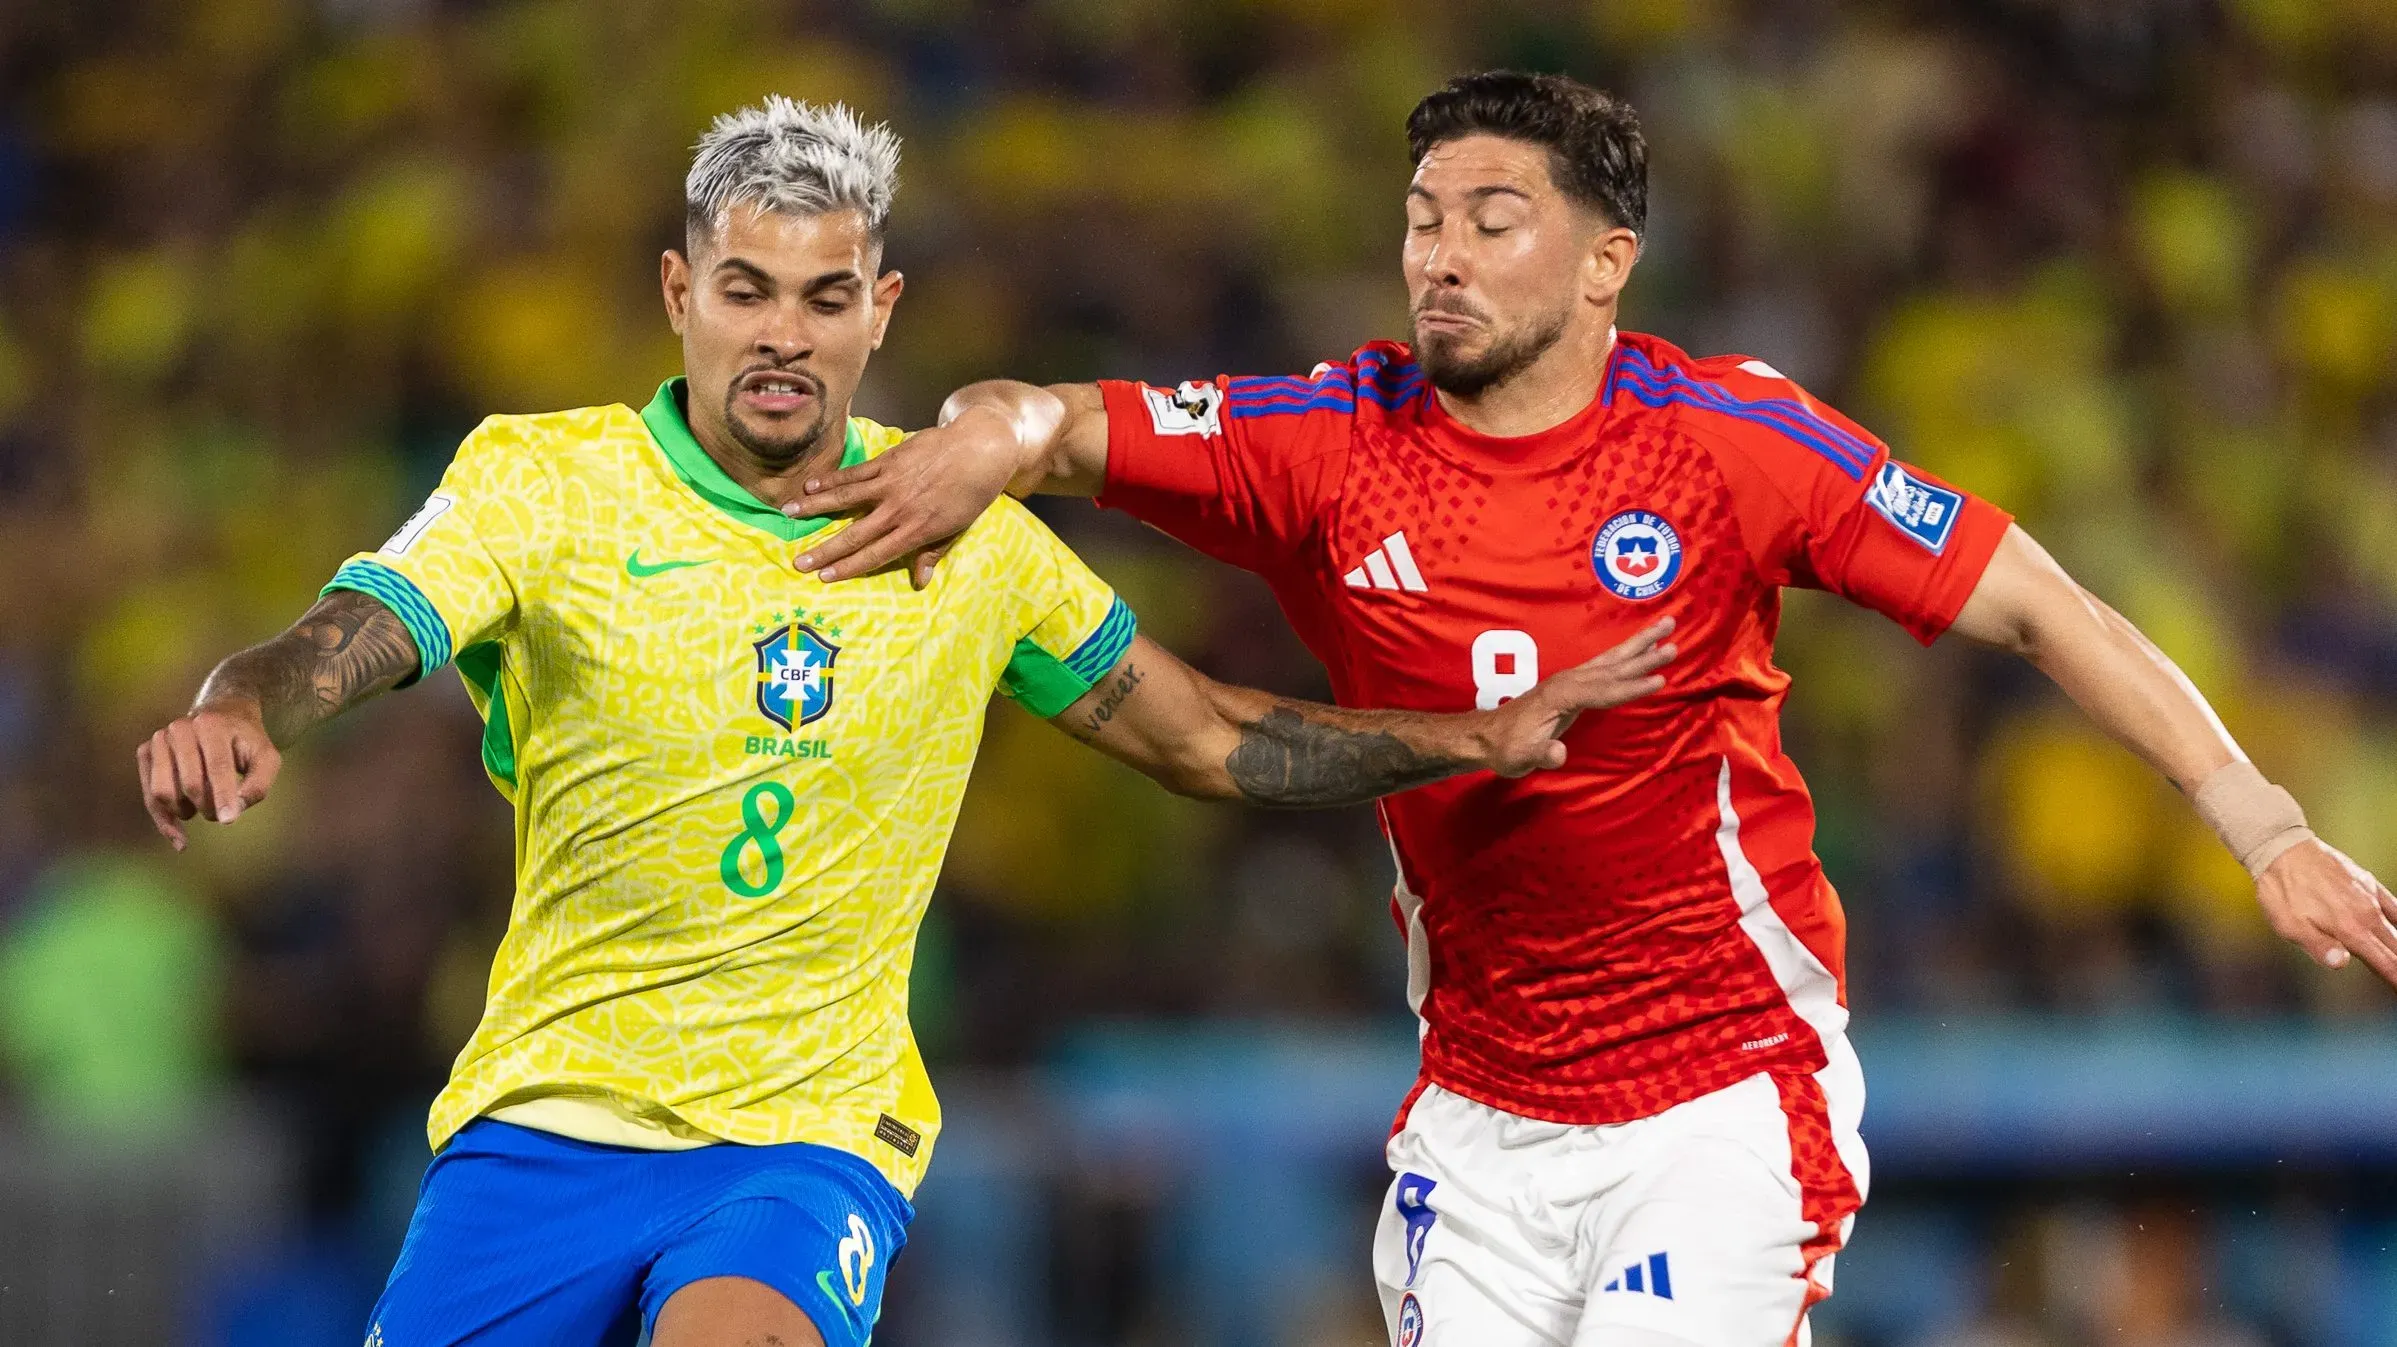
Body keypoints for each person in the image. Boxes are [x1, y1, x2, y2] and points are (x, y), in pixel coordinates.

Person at [780, 70, 2397, 1347]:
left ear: (1607, 260)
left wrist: (2258, 816)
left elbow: (2045, 604)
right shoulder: (1331, 440)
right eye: (1422, 218)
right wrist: (984, 440)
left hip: (1721, 1091)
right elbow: (1050, 419)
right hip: (1477, 1114)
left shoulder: (1726, 443)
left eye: (1493, 218)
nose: (1442, 255)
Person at [131, 96, 1681, 1347]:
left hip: (807, 1141)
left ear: (880, 311)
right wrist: (238, 700)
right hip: (548, 1117)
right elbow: (358, 630)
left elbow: (1207, 737)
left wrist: (1471, 740)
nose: (782, 337)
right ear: (683, 294)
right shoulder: (543, 485)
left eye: (823, 299)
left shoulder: (966, 529)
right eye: (744, 293)